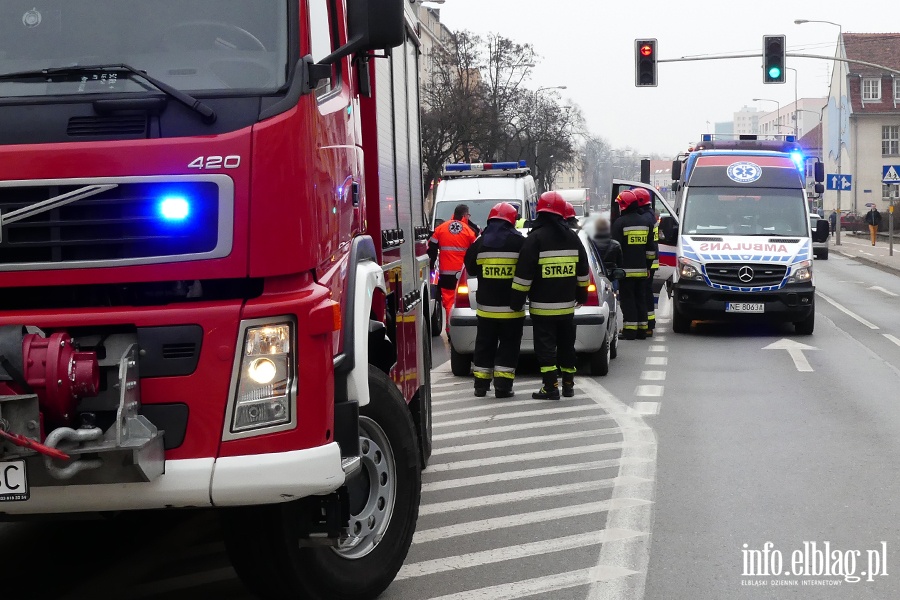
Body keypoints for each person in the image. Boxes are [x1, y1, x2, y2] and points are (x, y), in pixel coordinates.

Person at [510, 191, 589, 400]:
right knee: (566, 346)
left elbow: (523, 276)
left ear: (540, 212)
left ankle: (550, 387)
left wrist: (516, 302)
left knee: (545, 348)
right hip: (567, 307)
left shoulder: (534, 239)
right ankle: (569, 386)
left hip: (542, 307)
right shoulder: (573, 238)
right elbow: (583, 271)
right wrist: (581, 295)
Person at [463, 202, 526, 398]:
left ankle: (480, 386)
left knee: (484, 345)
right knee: (508, 346)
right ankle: (503, 387)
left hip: (486, 309)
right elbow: (527, 270)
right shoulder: (519, 242)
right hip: (512, 308)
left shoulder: (480, 242)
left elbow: (471, 267)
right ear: (511, 220)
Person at [428, 203, 477, 336]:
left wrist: (431, 267)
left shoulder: (441, 228)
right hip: (463, 275)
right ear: (464, 215)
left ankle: (450, 330)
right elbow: (475, 249)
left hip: (446, 274)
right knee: (463, 303)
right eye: (468, 215)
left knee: (449, 302)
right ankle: (460, 331)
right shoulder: (468, 230)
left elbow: (431, 248)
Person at [611, 190, 654, 340]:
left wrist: (613, 267)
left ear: (624, 205)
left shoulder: (620, 223)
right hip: (642, 270)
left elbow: (615, 247)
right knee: (640, 298)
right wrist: (648, 267)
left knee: (628, 300)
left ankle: (630, 331)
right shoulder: (646, 222)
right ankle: (642, 330)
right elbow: (650, 249)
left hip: (625, 271)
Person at [633, 188, 659, 336]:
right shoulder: (650, 215)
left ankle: (648, 324)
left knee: (644, 293)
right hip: (651, 260)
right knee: (646, 292)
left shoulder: (645, 218)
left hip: (648, 261)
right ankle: (648, 323)